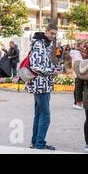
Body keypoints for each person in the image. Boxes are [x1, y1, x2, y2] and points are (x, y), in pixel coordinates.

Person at [26, 23, 59, 151]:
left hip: (42, 83)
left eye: (55, 34)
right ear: (46, 32)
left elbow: (42, 63)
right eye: (52, 33)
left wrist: (52, 68)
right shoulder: (39, 44)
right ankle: (39, 144)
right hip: (40, 84)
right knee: (45, 115)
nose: (53, 36)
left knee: (39, 114)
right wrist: (52, 71)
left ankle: (35, 142)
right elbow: (35, 66)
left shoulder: (46, 44)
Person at [71, 42, 84, 110]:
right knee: (78, 88)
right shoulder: (76, 53)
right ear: (78, 46)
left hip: (77, 72)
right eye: (82, 44)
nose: (83, 45)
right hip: (78, 72)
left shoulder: (77, 52)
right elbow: (80, 62)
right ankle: (77, 103)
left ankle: (77, 102)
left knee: (78, 88)